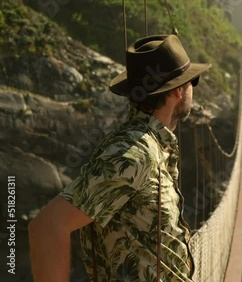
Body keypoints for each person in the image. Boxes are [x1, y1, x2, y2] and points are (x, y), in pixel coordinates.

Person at [28, 34, 211, 282]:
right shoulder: (133, 151)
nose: (193, 89)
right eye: (193, 81)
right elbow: (47, 227)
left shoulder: (153, 146)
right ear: (178, 90)